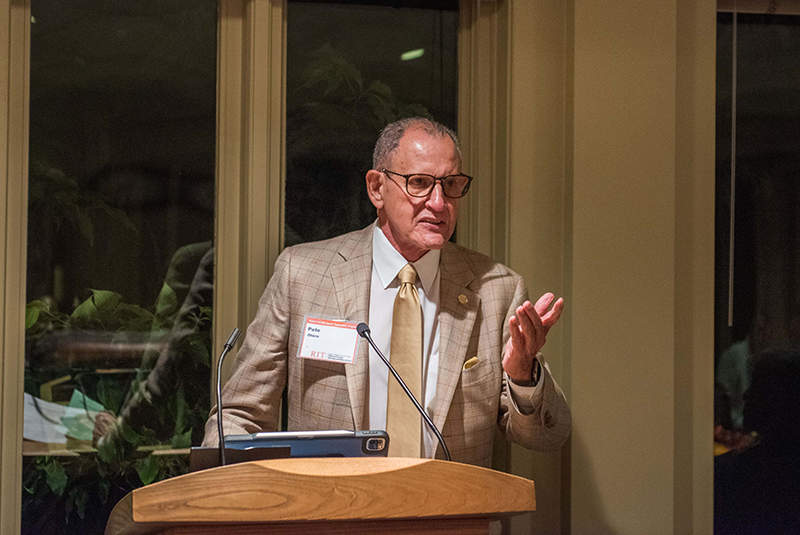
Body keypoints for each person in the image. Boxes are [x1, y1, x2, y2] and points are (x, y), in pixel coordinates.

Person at [202, 117, 570, 467]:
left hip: (448, 517)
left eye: (451, 184)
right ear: (377, 188)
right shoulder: (303, 275)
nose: (439, 203)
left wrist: (523, 376)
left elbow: (546, 437)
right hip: (329, 515)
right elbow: (240, 416)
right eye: (420, 183)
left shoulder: (497, 290)